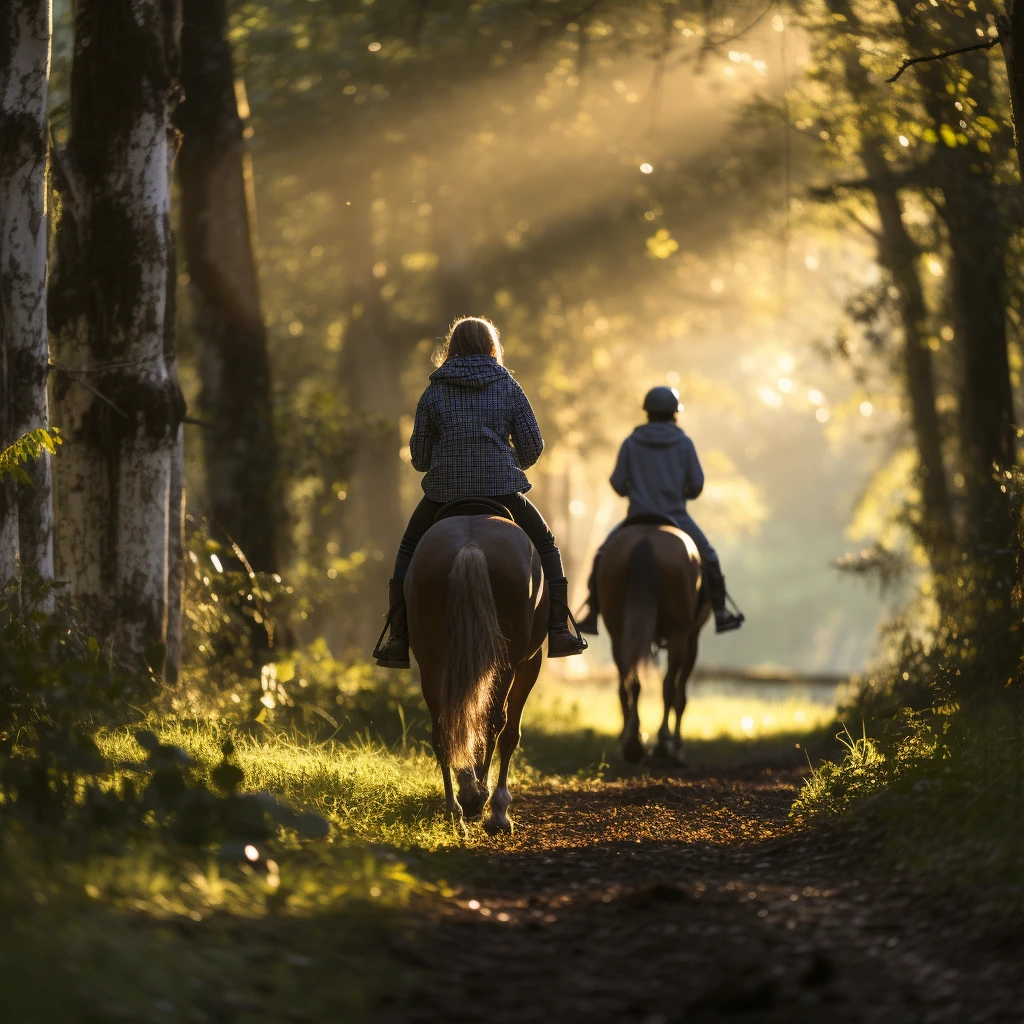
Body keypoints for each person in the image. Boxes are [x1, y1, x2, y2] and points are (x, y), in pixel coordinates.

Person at [374, 316, 588, 668]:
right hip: (502, 489)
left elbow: (419, 457)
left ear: (451, 347)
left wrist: (451, 458)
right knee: (547, 545)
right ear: (492, 346)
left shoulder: (434, 390)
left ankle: (398, 638)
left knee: (408, 549)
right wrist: (504, 461)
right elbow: (533, 446)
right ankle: (559, 629)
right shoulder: (508, 386)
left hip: (444, 493)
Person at [576, 385, 745, 635]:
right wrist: (679, 493)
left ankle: (592, 613)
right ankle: (721, 612)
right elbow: (696, 485)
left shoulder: (631, 442)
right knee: (709, 558)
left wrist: (632, 492)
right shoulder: (684, 443)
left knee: (602, 556)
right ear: (674, 414)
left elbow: (617, 482)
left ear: (647, 413)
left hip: (636, 517)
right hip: (676, 517)